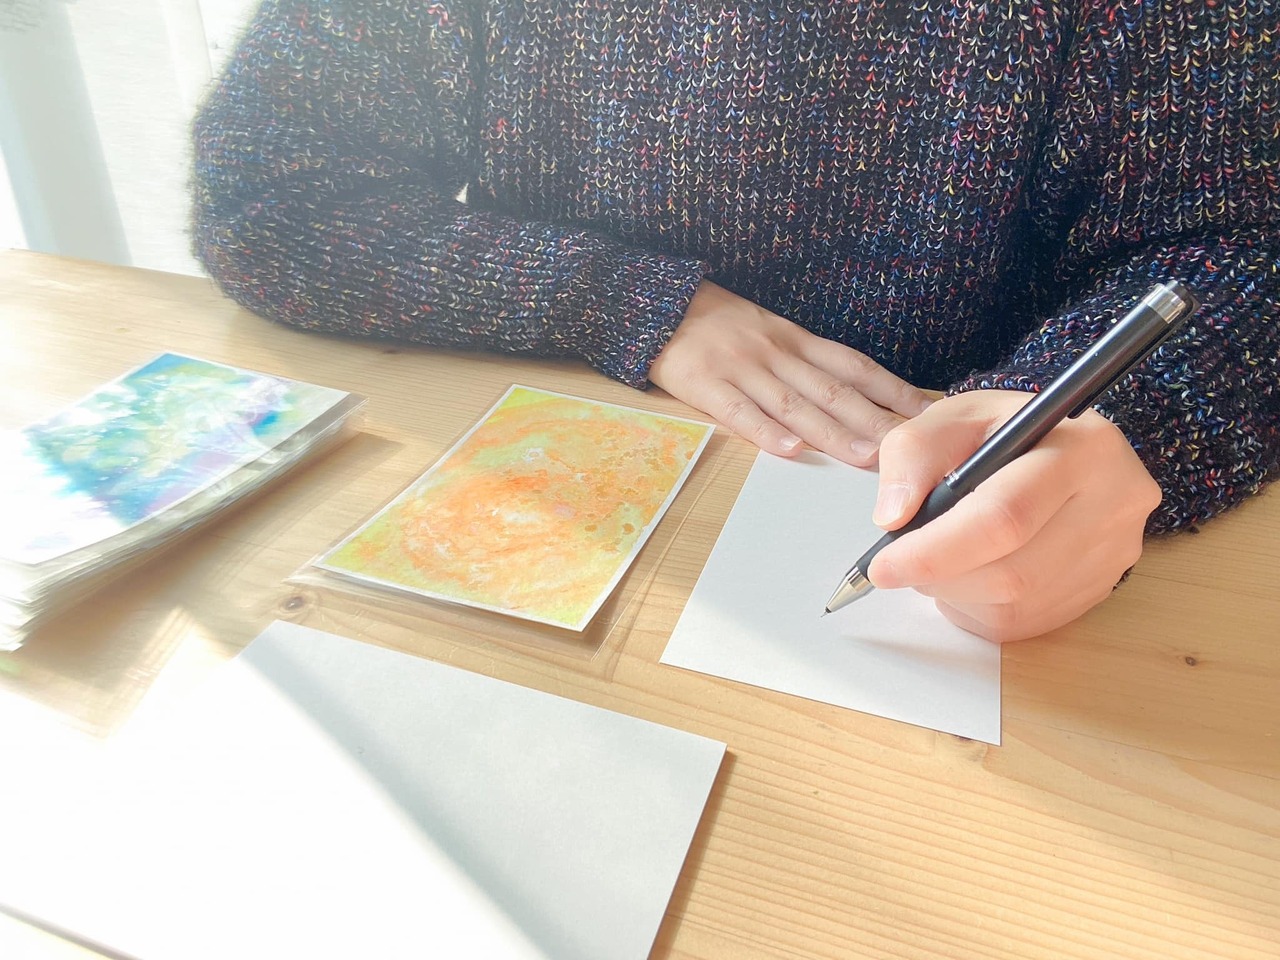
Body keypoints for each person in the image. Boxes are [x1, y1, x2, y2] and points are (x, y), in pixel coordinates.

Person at [191, 0, 1280, 642]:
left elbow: (1239, 250)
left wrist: (1113, 417)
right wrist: (620, 298)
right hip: (548, 514)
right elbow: (271, 189)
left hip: (969, 537)